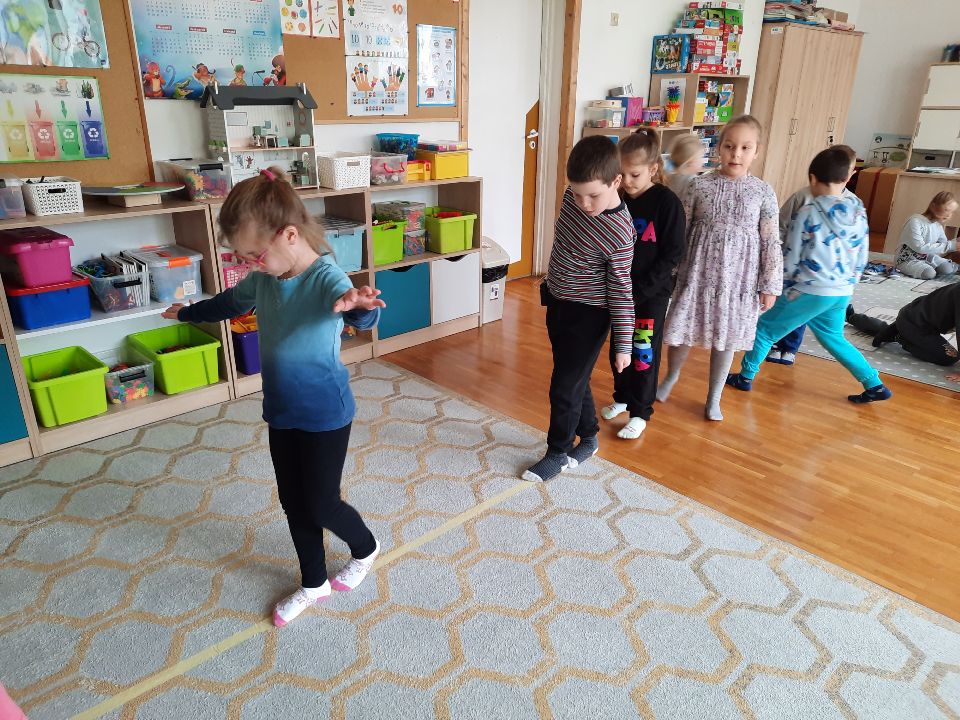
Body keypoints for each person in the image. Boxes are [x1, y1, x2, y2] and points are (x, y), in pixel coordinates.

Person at [162, 167, 384, 627]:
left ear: (289, 235)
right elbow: (229, 303)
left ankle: (366, 548)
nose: (252, 264)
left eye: (256, 254)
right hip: (281, 410)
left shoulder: (326, 276)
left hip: (325, 414)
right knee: (292, 501)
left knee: (322, 503)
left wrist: (360, 309)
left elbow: (356, 310)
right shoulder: (263, 280)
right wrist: (187, 312)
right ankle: (314, 581)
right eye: (244, 257)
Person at [726, 147, 892, 404]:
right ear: (846, 178)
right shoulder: (857, 207)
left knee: (765, 329)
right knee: (833, 337)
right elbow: (863, 249)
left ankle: (745, 376)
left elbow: (791, 254)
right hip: (842, 290)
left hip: (810, 289)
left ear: (813, 179)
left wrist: (779, 284)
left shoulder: (808, 210)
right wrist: (853, 279)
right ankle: (874, 383)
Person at [523, 135, 635, 482]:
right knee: (573, 377)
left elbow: (622, 291)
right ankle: (588, 439)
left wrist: (624, 343)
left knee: (564, 385)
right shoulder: (572, 198)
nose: (583, 203)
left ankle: (557, 452)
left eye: (593, 195)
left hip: (590, 316)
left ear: (616, 181)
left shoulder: (621, 233)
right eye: (576, 193)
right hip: (558, 301)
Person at [656, 115, 782, 421]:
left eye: (745, 148)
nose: (736, 154)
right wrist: (670, 272)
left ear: (756, 151)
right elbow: (681, 230)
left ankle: (714, 396)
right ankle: (671, 375)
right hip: (697, 273)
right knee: (682, 331)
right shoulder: (699, 185)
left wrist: (770, 284)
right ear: (719, 148)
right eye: (729, 146)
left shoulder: (763, 192)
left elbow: (770, 240)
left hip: (738, 280)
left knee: (727, 337)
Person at [601, 129, 686, 439]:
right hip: (620, 294)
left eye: (634, 174)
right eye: (621, 174)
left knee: (642, 351)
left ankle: (640, 411)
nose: (626, 181)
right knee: (619, 349)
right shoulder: (619, 199)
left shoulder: (667, 203)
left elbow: (672, 254)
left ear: (653, 169)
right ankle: (622, 398)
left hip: (650, 296)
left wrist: (642, 290)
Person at [768, 144, 859, 365]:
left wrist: (851, 274)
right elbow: (781, 224)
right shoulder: (803, 197)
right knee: (790, 310)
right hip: (800, 270)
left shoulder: (853, 203)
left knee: (804, 313)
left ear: (850, 175)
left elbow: (855, 243)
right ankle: (777, 344)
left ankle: (789, 348)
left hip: (827, 277)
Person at [846, 282, 959, 371]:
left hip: (915, 315)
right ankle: (901, 337)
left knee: (885, 330)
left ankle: (851, 316)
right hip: (915, 323)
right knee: (950, 357)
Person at [895, 191, 959, 279]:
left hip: (927, 257)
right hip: (907, 259)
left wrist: (956, 242)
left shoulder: (938, 225)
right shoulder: (915, 221)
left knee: (947, 269)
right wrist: (951, 245)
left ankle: (938, 267)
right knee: (929, 274)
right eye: (947, 210)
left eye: (952, 212)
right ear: (933, 206)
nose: (949, 215)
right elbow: (919, 247)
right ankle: (924, 268)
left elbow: (944, 246)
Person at [665, 133, 705, 201]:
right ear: (690, 162)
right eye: (701, 157)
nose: (702, 161)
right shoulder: (694, 182)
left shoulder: (668, 177)